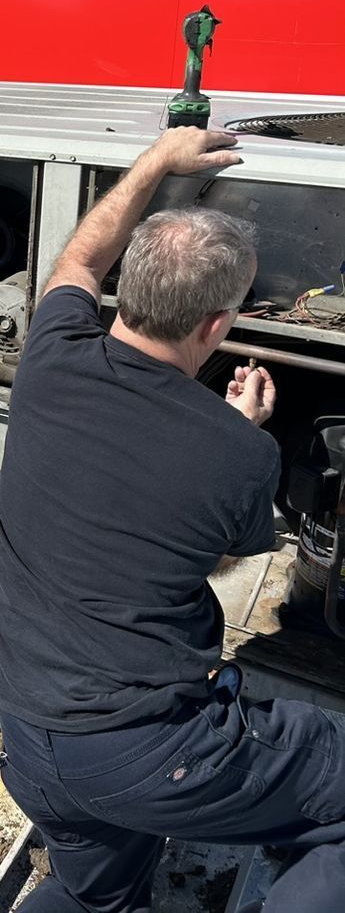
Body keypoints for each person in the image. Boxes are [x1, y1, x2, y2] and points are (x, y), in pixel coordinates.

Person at [0, 126, 344, 913]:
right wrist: (242, 435)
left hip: (28, 738)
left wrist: (154, 161)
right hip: (154, 752)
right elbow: (216, 563)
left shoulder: (50, 355)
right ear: (216, 328)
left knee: (95, 898)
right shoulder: (237, 455)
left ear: (131, 284)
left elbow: (79, 258)